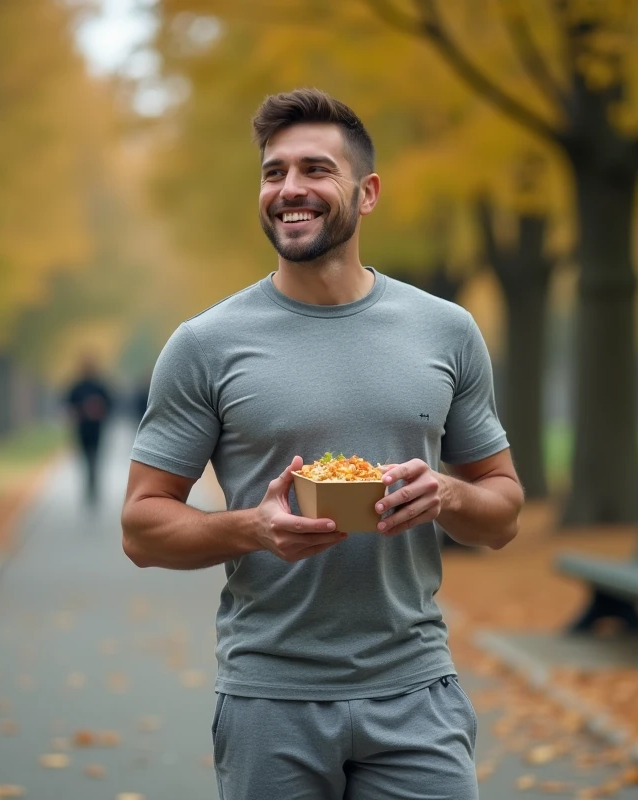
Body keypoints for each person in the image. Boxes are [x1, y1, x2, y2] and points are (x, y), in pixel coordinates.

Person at [121, 89, 523, 800]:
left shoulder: (446, 330)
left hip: (417, 691)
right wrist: (254, 527)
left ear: (366, 194)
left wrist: (448, 493)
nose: (289, 190)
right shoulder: (205, 345)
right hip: (270, 698)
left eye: (314, 169)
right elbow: (142, 528)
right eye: (274, 172)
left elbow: (503, 513)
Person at [64, 354, 113, 507]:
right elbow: (69, 407)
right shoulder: (77, 388)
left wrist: (99, 411)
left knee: (95, 460)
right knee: (86, 460)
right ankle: (88, 488)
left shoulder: (100, 387)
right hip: (82, 430)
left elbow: (110, 405)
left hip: (97, 429)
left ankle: (93, 489)